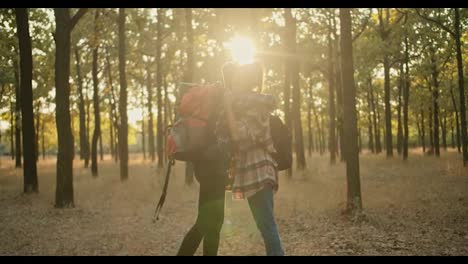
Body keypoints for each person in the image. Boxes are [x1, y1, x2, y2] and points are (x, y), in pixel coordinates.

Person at [218, 61, 285, 256]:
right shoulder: (250, 104)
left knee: (267, 225)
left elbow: (239, 135)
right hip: (254, 169)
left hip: (259, 169)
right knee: (265, 225)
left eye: (238, 79)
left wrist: (228, 107)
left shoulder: (255, 105)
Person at [176, 84, 230, 256]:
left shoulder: (216, 100)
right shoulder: (223, 101)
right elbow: (221, 140)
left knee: (211, 222)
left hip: (207, 169)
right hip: (214, 169)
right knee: (207, 222)